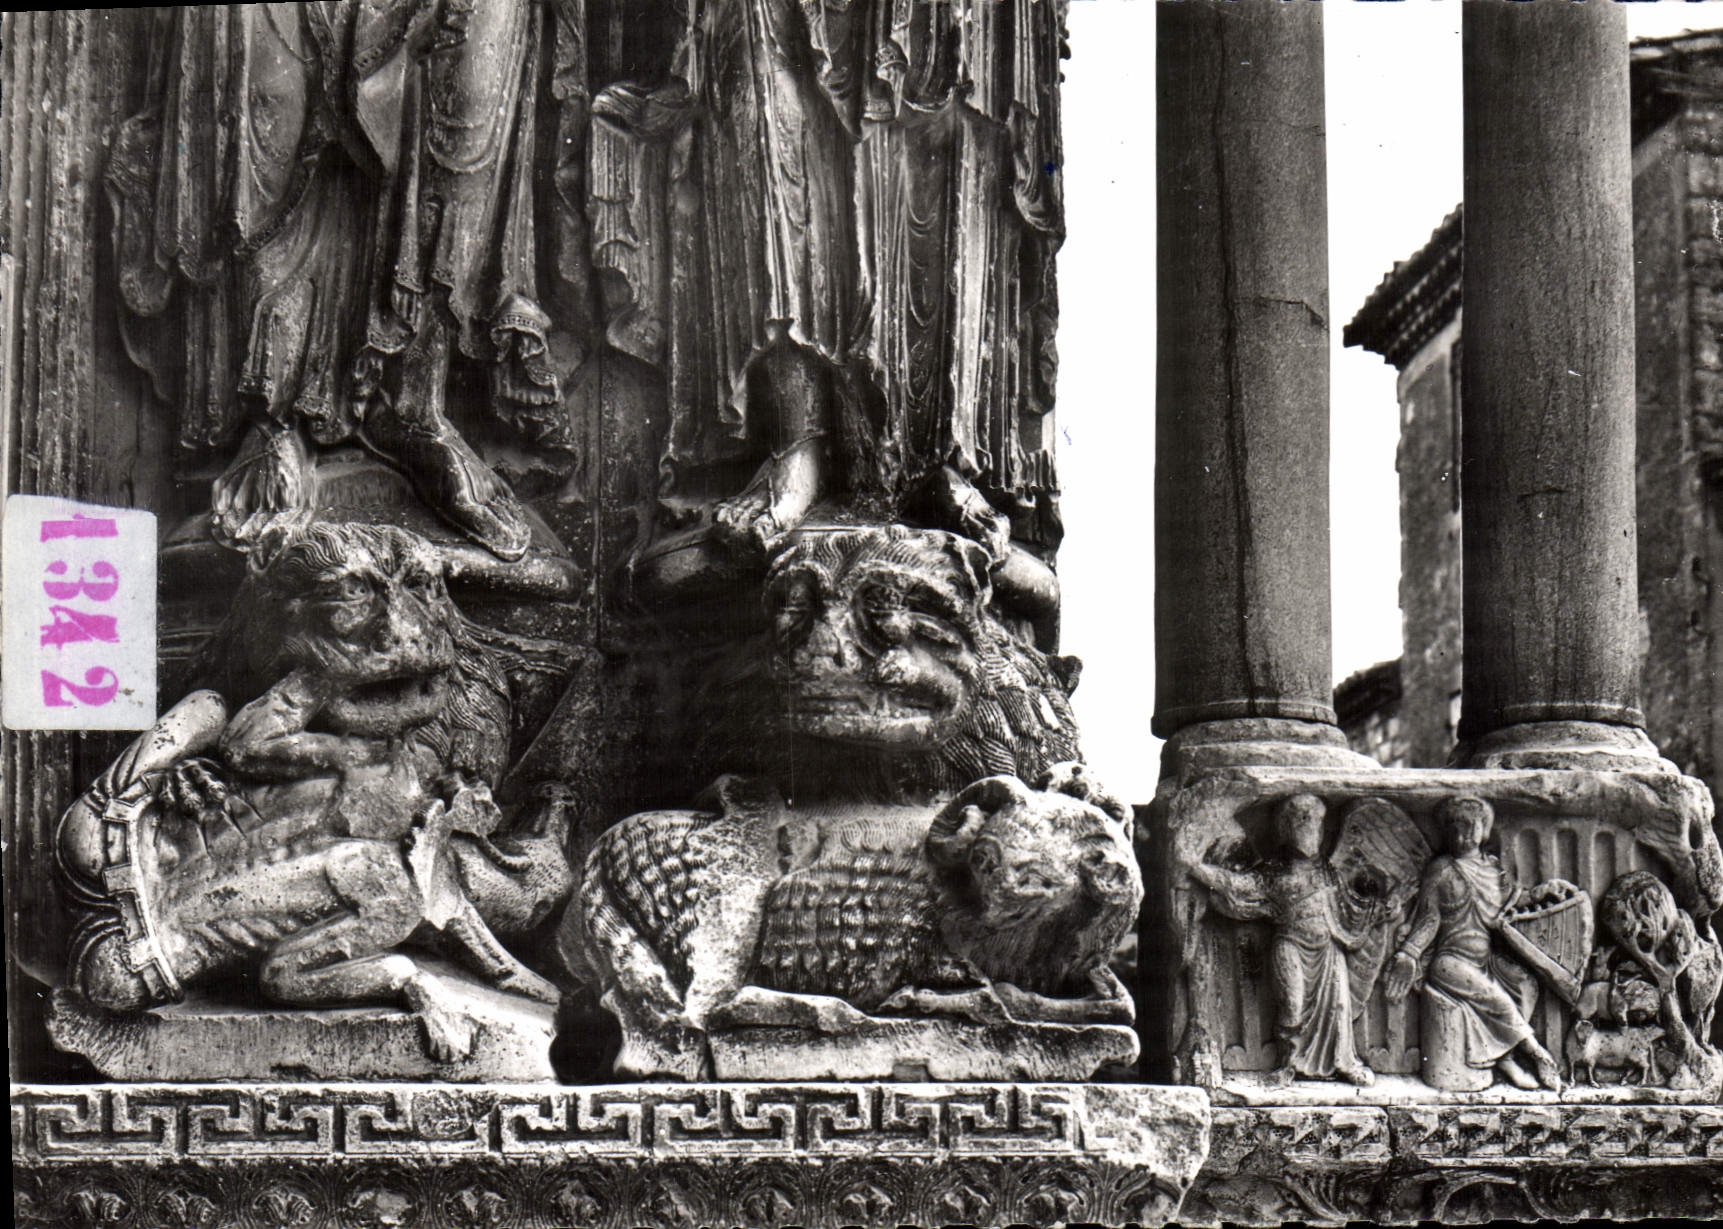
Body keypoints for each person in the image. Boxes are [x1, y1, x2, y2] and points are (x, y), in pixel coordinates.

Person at [1193, 794, 1377, 1087]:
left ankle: (1344, 1062)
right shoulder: (1275, 871)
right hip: (1291, 945)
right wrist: (1198, 869)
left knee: (1338, 1009)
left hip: (1329, 950)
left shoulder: (1330, 871)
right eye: (1301, 821)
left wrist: (1380, 908)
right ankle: (1288, 1064)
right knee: (1292, 1004)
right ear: (1287, 829)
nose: (1309, 829)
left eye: (1314, 821)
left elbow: (1354, 905)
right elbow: (1240, 887)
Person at [1384, 795, 1562, 1091]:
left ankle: (1503, 1058)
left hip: (1485, 960)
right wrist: (1408, 954)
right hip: (1450, 962)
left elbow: (1512, 902)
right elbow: (1429, 920)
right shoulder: (1441, 870)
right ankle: (1537, 1054)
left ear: (1485, 830)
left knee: (1525, 985)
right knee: (1498, 999)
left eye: (1469, 825)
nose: (1460, 833)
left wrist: (1545, 891)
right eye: (1453, 826)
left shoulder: (1492, 870)